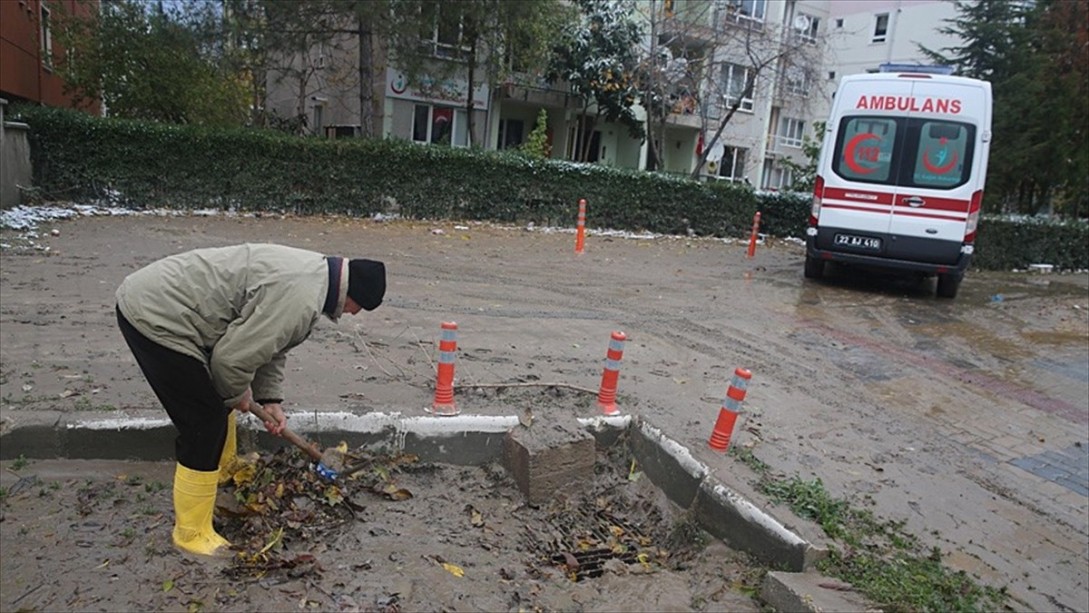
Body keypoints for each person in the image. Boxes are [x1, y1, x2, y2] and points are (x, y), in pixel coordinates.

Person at [115, 243, 386, 557]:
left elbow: (273, 343)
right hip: (156, 314)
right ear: (351, 294)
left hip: (175, 304)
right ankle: (191, 533)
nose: (354, 314)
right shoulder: (301, 298)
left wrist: (269, 399)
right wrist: (238, 392)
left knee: (217, 398)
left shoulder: (315, 278)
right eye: (359, 307)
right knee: (204, 421)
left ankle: (224, 466)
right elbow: (230, 363)